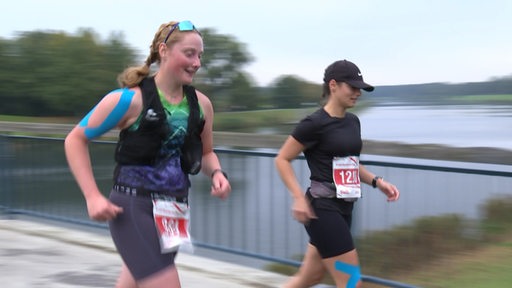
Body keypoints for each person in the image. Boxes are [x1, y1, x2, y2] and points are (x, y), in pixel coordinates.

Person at [64, 20, 231, 288]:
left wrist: (218, 173)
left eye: (200, 55)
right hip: (133, 208)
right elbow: (75, 139)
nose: (197, 62)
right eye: (189, 54)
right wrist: (92, 196)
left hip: (174, 212)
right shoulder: (129, 100)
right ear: (164, 50)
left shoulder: (202, 105)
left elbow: (207, 153)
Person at [274, 59, 400, 288]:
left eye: (360, 88)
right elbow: (282, 159)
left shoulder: (353, 122)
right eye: (352, 87)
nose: (357, 93)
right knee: (352, 283)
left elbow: (350, 164)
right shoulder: (314, 124)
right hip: (322, 210)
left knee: (309, 278)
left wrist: (377, 181)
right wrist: (298, 198)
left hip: (344, 208)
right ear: (333, 85)